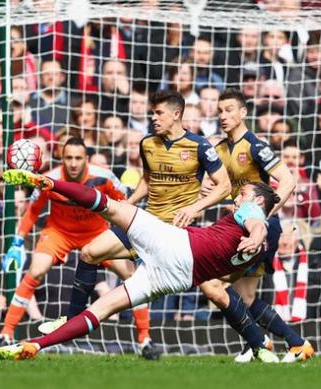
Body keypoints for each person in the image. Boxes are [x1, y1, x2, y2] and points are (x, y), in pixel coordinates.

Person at [39, 90, 278, 362]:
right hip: (148, 223)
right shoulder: (147, 144)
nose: (153, 118)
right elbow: (147, 180)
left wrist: (194, 208)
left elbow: (224, 186)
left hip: (173, 233)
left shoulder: (200, 146)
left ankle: (258, 342)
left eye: (158, 113)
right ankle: (73, 320)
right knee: (90, 253)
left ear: (176, 114)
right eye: (152, 112)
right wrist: (126, 204)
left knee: (214, 291)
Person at [0, 172, 278, 362]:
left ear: (259, 201)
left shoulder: (252, 213)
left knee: (111, 207)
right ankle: (32, 346)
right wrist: (254, 240)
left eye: (243, 195)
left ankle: (48, 182)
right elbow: (228, 273)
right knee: (101, 309)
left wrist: (254, 235)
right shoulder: (257, 252)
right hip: (176, 278)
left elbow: (256, 225)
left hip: (175, 246)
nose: (238, 199)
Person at [0, 137, 159, 359]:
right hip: (58, 232)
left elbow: (125, 204)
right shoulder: (49, 178)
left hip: (96, 232)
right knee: (35, 270)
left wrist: (133, 237)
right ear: (62, 158)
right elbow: (33, 210)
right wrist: (17, 241)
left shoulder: (104, 177)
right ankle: (5, 334)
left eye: (78, 158)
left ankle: (145, 340)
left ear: (86, 159)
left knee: (131, 275)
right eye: (68, 158)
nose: (73, 163)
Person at [201, 89, 314, 363]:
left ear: (243, 112)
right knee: (245, 296)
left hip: (259, 228)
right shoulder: (218, 150)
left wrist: (265, 216)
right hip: (237, 226)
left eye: (229, 110)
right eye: (220, 111)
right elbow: (215, 187)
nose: (223, 115)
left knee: (212, 283)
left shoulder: (255, 145)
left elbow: (287, 181)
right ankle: (294, 343)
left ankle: (257, 341)